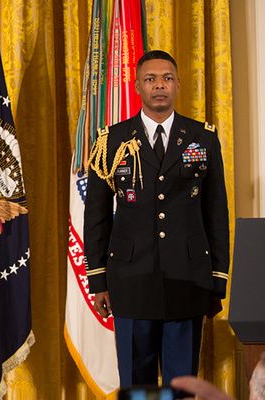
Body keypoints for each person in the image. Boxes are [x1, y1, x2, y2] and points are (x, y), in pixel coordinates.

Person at [84, 50, 230, 388]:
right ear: (137, 87)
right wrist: (98, 280)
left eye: (166, 78)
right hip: (131, 280)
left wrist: (218, 278)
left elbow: (215, 213)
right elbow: (97, 216)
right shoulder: (112, 141)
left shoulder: (203, 138)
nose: (159, 86)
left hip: (188, 279)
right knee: (138, 383)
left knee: (181, 383)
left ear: (178, 84)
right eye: (150, 79)